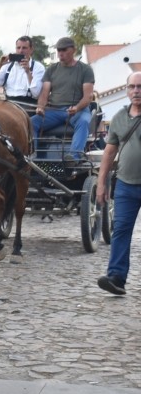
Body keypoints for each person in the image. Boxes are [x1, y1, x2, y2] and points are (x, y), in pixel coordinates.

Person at [95, 72, 141, 295]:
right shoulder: (120, 118)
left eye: (140, 87)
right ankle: (116, 277)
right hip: (125, 184)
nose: (136, 91)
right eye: (132, 87)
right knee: (121, 229)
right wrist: (101, 182)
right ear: (126, 90)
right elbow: (109, 152)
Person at [31, 36, 95, 161]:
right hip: (54, 110)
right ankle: (32, 156)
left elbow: (88, 97)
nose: (60, 53)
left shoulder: (85, 69)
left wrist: (76, 108)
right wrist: (40, 107)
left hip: (78, 111)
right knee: (31, 122)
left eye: (64, 50)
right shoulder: (51, 69)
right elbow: (44, 93)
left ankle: (73, 157)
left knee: (83, 122)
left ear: (73, 50)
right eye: (59, 50)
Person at [0, 36, 45, 106]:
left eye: (24, 48)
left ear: (31, 50)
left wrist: (28, 72)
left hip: (27, 104)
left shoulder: (38, 67)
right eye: (18, 48)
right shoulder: (8, 66)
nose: (21, 51)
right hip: (9, 103)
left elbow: (36, 93)